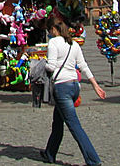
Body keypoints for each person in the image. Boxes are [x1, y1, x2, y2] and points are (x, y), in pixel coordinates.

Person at [38, 18, 106, 166]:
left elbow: (51, 66)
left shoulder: (54, 43)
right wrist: (95, 85)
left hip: (62, 88)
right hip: (74, 86)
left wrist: (41, 64)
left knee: (74, 126)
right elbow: (82, 65)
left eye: (49, 31)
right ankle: (50, 153)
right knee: (57, 122)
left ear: (54, 30)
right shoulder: (73, 44)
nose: (49, 33)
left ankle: (93, 160)